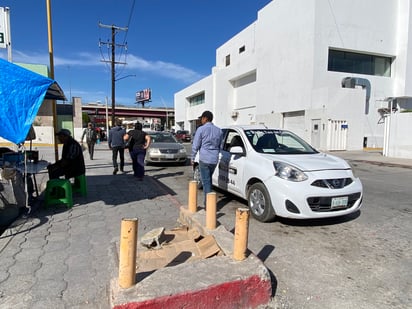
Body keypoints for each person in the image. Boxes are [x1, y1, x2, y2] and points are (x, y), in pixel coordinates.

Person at [191, 111, 222, 207]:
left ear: (205, 118)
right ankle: (209, 200)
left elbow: (195, 145)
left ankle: (208, 205)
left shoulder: (201, 129)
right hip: (214, 159)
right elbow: (220, 145)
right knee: (208, 180)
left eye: (202, 118)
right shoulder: (219, 130)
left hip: (204, 159)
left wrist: (192, 157)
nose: (201, 120)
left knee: (206, 181)